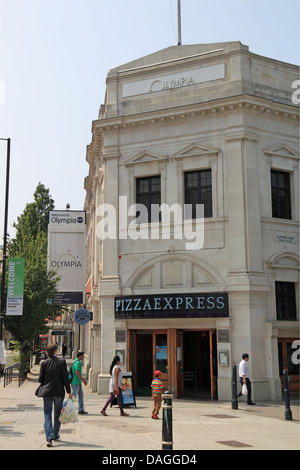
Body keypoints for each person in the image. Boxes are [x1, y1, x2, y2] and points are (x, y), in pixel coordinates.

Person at [37, 343, 72, 447]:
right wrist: (69, 391)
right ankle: (55, 434)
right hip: (58, 393)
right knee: (57, 415)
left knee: (47, 415)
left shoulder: (44, 363)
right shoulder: (61, 362)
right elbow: (66, 378)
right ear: (56, 351)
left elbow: (40, 379)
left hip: (47, 393)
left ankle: (49, 438)